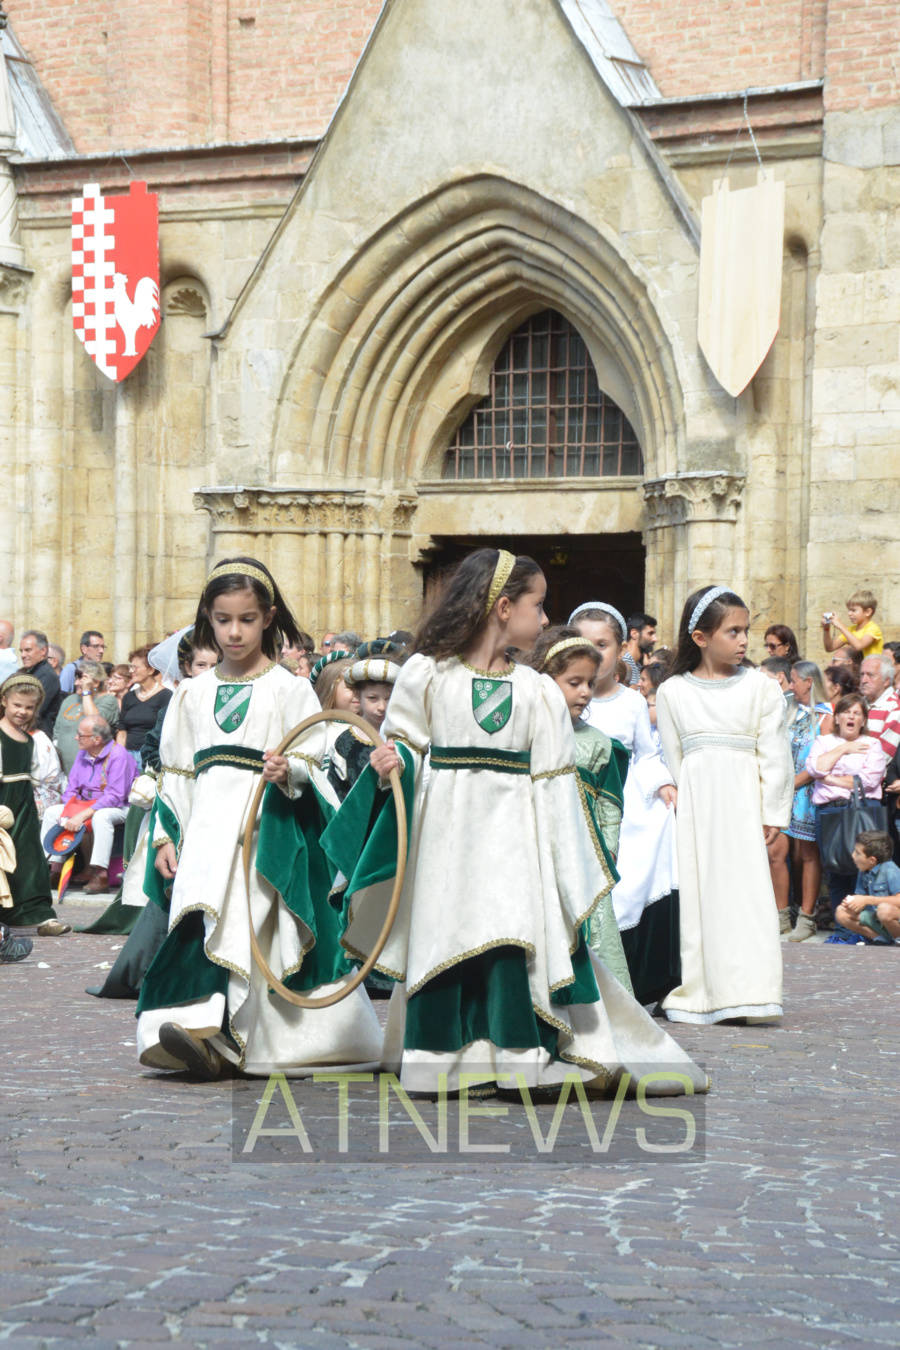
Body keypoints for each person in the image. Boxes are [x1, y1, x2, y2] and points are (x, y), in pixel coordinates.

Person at [325, 549, 706, 1097]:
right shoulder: (428, 674)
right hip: (445, 838)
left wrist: (564, 865)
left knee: (510, 938)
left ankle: (517, 1058)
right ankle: (440, 1060)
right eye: (538, 605)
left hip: (514, 838)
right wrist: (393, 764)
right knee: (445, 935)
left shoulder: (535, 691)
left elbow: (554, 781)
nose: (546, 619)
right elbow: (406, 746)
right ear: (504, 608)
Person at [136, 556, 382, 1079]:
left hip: (263, 830)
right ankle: (202, 1029)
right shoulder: (191, 694)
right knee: (204, 922)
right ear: (208, 617)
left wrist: (288, 770)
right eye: (223, 619)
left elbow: (314, 758)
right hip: (205, 833)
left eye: (246, 619)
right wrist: (164, 836)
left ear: (268, 617)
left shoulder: (288, 689)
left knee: (257, 927)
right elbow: (176, 772)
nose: (234, 631)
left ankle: (254, 1037)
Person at [656, 585, 794, 1025]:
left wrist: (772, 811)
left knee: (746, 897)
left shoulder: (760, 688)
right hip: (698, 810)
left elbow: (775, 753)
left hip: (742, 807)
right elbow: (675, 757)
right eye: (732, 631)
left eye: (745, 630)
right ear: (700, 637)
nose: (743, 641)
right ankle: (701, 992)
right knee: (702, 899)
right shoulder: (674, 691)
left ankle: (752, 991)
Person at [571, 602, 681, 1009]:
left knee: (644, 858)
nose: (594, 653)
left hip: (625, 802)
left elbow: (646, 755)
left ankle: (638, 975)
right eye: (585, 644)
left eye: (603, 644)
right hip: (579, 801)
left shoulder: (632, 703)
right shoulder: (557, 699)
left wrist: (664, 784)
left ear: (621, 649)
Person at [530, 625, 632, 993]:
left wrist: (608, 847)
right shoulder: (525, 736)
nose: (585, 692)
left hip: (585, 861)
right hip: (537, 856)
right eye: (574, 682)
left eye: (590, 683)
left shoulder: (600, 744)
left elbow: (609, 805)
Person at [806, 692, 888, 940]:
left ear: (863, 720)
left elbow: (869, 780)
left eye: (857, 713)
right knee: (835, 871)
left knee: (864, 871)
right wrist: (844, 748)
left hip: (863, 812)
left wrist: (830, 778)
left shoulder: (872, 745)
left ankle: (865, 932)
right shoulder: (823, 741)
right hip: (830, 813)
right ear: (838, 717)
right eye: (847, 712)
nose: (851, 717)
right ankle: (843, 932)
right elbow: (814, 768)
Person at [0, 672, 70, 935]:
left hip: (24, 807)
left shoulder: (30, 739)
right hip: (3, 804)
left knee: (31, 861)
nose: (22, 711)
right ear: (5, 700)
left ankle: (42, 915)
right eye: (17, 705)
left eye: (29, 707)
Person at [42, 715, 138, 894]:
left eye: (81, 735)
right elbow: (71, 788)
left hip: (119, 807)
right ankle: (53, 868)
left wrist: (83, 814)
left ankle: (99, 874)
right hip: (84, 805)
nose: (76, 738)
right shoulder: (83, 753)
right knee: (51, 812)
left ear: (97, 739)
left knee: (101, 817)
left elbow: (115, 797)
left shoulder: (118, 755)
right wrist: (69, 809)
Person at [774, 662, 833, 942]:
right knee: (776, 850)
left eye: (795, 681)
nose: (791, 686)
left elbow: (823, 758)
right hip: (784, 789)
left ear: (809, 682)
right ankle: (781, 913)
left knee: (808, 854)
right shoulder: (790, 711)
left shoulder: (825, 716)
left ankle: (807, 916)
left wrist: (796, 781)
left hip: (807, 791)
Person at [327, 655, 402, 804]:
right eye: (373, 698)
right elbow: (336, 790)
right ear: (358, 696)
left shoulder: (401, 738)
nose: (382, 707)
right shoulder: (345, 741)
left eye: (388, 698)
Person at [53, 660, 120, 776]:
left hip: (91, 768)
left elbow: (95, 722)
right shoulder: (69, 700)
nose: (76, 683)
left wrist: (86, 692)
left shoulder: (108, 700)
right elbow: (57, 731)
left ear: (96, 682)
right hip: (64, 768)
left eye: (81, 678)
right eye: (76, 678)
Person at [833, 831, 900, 944]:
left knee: (884, 910)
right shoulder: (863, 871)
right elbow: (861, 900)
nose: (853, 855)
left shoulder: (891, 870)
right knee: (841, 912)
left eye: (858, 853)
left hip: (893, 918)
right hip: (877, 919)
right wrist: (853, 904)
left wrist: (868, 900)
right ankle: (879, 940)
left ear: (872, 860)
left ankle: (898, 939)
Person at [117, 646, 172, 767]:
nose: (131, 671)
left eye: (135, 667)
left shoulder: (166, 696)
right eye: (130, 667)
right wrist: (120, 758)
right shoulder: (128, 697)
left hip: (150, 758)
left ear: (150, 670)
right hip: (128, 756)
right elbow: (122, 731)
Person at [18, 630, 62, 737]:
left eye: (28, 650)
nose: (23, 655)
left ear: (43, 651)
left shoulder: (47, 675)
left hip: (36, 735)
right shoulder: (27, 672)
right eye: (21, 651)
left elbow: (35, 709)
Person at [859, 654, 900, 758]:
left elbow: (882, 756)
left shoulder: (895, 709)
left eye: (870, 675)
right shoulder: (857, 703)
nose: (864, 680)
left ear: (886, 681)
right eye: (862, 674)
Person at [822, 589, 883, 658]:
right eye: (849, 610)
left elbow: (859, 646)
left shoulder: (873, 628)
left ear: (867, 612)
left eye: (853, 610)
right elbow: (830, 648)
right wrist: (826, 629)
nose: (849, 614)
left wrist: (840, 626)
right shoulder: (850, 630)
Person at [623, 613, 657, 687]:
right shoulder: (624, 664)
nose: (655, 639)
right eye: (650, 633)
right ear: (634, 634)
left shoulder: (637, 665)